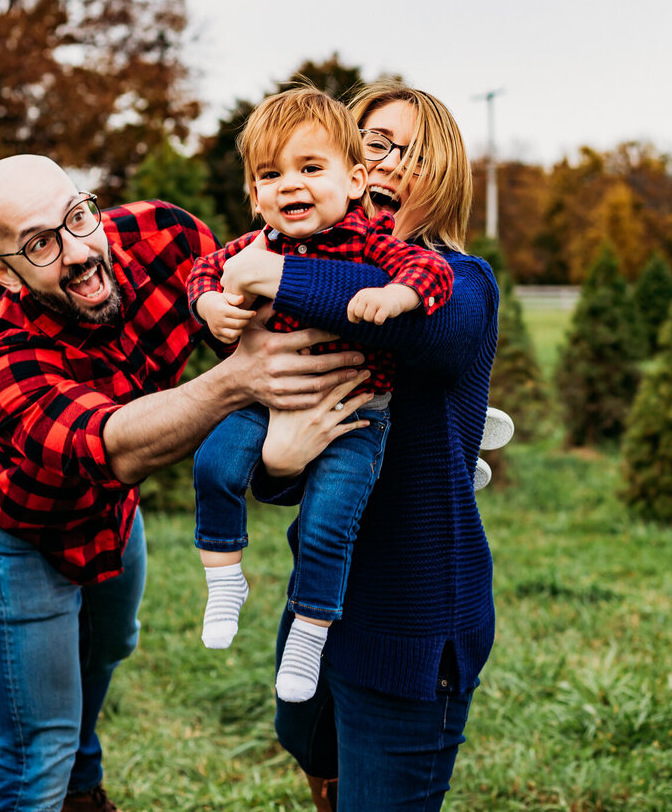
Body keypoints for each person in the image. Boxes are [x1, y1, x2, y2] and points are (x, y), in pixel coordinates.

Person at [0, 154, 370, 812]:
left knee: (110, 646)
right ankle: (55, 783)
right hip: (21, 525)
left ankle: (80, 794)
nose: (80, 251)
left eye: (78, 216)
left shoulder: (164, 237)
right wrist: (237, 380)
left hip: (113, 512)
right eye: (41, 243)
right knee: (38, 750)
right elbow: (112, 446)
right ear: (3, 273)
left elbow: (269, 312)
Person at [201, 81, 499, 811]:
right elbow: (280, 475)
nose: (391, 164)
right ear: (349, 165)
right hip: (320, 600)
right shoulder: (312, 282)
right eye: (375, 144)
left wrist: (264, 271)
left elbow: (419, 329)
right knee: (314, 758)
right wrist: (278, 459)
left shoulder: (462, 284)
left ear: (447, 176)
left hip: (412, 620)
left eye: (415, 153)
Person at [187, 87, 454, 705]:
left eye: (310, 169)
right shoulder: (259, 246)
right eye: (271, 175)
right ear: (254, 195)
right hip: (266, 403)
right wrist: (210, 303)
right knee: (212, 464)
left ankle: (310, 630)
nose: (290, 186)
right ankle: (224, 577)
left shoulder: (370, 242)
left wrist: (396, 297)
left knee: (328, 522)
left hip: (356, 416)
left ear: (353, 180)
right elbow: (205, 271)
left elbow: (429, 273)